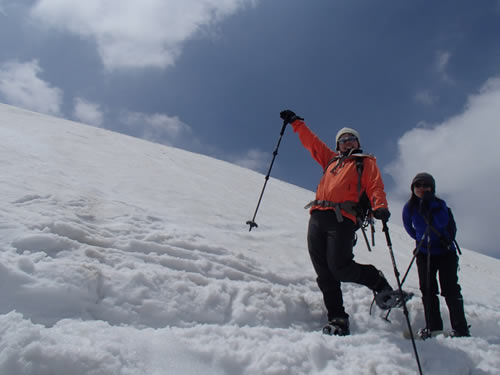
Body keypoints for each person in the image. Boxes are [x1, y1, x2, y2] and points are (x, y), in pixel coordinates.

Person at [279, 109, 410, 336]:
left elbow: (375, 186)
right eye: (343, 140)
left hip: (343, 219)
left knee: (340, 267)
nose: (347, 142)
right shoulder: (330, 160)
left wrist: (380, 206)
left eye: (351, 139)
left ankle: (376, 281)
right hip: (317, 216)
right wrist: (297, 123)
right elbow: (312, 143)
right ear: (338, 145)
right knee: (324, 273)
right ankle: (338, 318)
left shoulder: (364, 162)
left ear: (357, 143)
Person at [402, 172, 470, 338]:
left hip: (445, 252)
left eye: (426, 185)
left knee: (450, 289)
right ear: (413, 188)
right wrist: (420, 240)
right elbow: (409, 228)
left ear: (432, 188)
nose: (422, 188)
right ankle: (433, 327)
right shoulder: (409, 207)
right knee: (428, 290)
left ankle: (460, 329)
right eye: (418, 185)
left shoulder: (440, 205)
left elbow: (441, 222)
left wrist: (428, 205)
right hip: (424, 253)